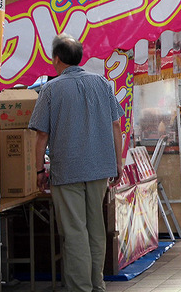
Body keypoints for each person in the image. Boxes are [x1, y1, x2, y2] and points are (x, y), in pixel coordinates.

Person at [30, 34, 124, 292]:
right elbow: (116, 125)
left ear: (56, 59)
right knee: (95, 228)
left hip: (68, 169)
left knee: (74, 232)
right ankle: (97, 284)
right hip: (99, 168)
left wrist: (39, 169)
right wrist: (118, 162)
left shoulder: (50, 89)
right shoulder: (102, 84)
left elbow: (41, 136)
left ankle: (80, 287)